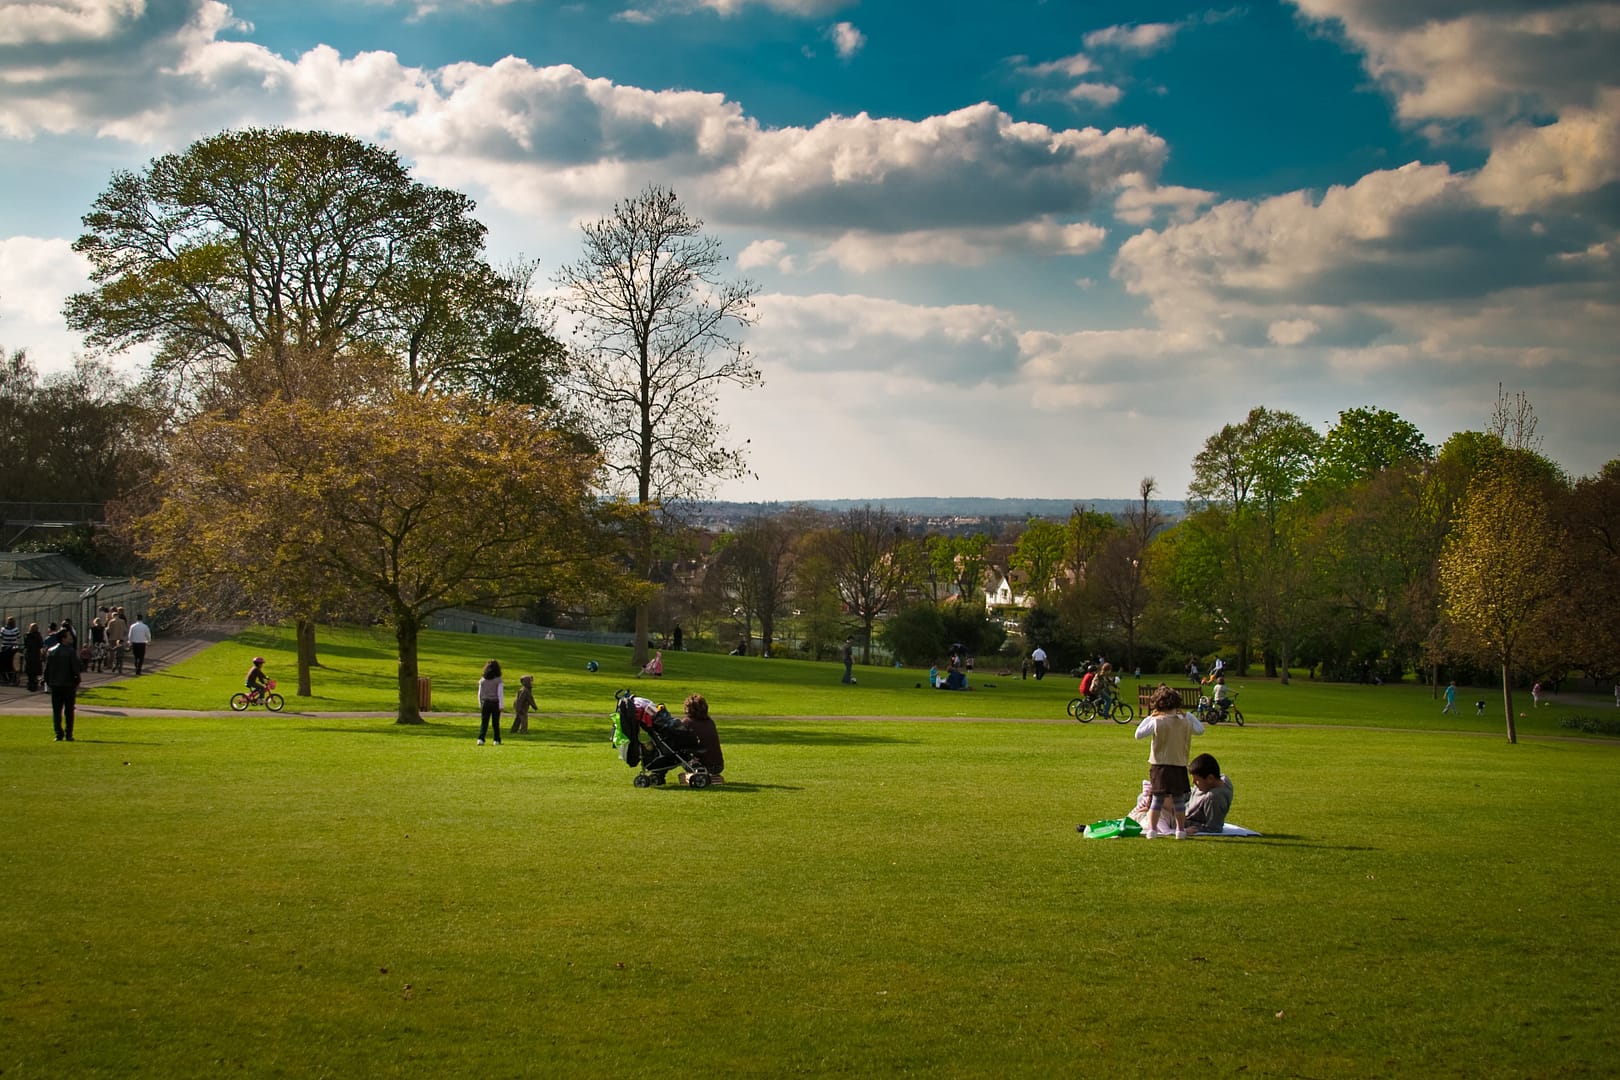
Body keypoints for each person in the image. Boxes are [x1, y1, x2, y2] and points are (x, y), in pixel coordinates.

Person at [1134, 685, 1205, 839]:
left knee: (1157, 799)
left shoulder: (1156, 721)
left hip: (1160, 765)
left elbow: (1138, 734)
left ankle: (1152, 830)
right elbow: (1200, 730)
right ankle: (1180, 830)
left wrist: (1150, 717)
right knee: (1178, 799)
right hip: (1179, 764)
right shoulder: (1186, 720)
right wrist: (1190, 717)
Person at [44, 630, 84, 741]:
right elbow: (75, 668)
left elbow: (47, 670)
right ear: (63, 638)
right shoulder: (70, 651)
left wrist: (48, 682)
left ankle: (58, 733)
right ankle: (69, 734)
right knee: (69, 711)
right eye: (69, 636)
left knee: (57, 711)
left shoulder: (51, 651)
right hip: (68, 684)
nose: (71, 637)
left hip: (55, 684)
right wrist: (77, 680)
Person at [677, 693, 725, 784]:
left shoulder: (687, 722)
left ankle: (694, 776)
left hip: (701, 765)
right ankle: (712, 777)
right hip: (718, 765)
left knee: (679, 755)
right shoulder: (710, 722)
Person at [1184, 753, 1234, 836]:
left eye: (1197, 780)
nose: (1193, 782)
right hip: (1185, 801)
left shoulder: (1213, 797)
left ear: (1210, 778)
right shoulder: (1222, 779)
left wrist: (1187, 828)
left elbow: (1214, 828)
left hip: (1180, 816)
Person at [476, 659, 503, 745]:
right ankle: (496, 740)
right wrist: (501, 705)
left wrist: (480, 703)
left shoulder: (483, 680)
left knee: (484, 722)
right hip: (495, 703)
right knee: (495, 723)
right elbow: (500, 694)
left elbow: (479, 693)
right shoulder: (498, 680)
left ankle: (481, 738)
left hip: (485, 703)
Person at [23, 621, 44, 692]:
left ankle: (30, 684)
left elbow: (25, 644)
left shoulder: (27, 635)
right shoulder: (38, 636)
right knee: (35, 671)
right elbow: (41, 644)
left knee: (29, 670)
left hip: (29, 654)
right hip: (36, 654)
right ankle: (34, 684)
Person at [106, 607, 129, 673]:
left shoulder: (111, 622)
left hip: (112, 638)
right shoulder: (122, 621)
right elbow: (125, 630)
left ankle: (111, 664)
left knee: (112, 652)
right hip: (120, 638)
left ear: (113, 616)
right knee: (120, 652)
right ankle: (120, 665)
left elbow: (109, 631)